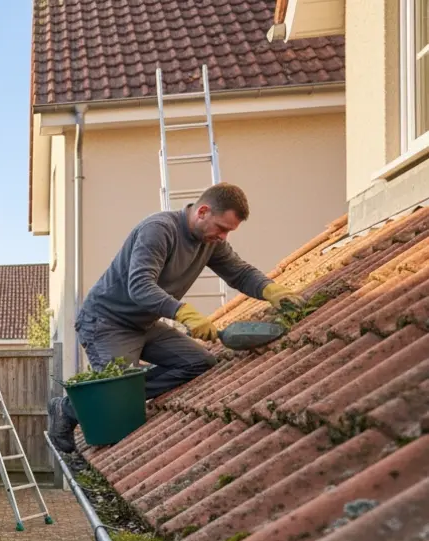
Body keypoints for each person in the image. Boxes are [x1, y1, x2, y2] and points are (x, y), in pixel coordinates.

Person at [48, 183, 301, 454]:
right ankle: (66, 408)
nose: (224, 237)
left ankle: (126, 393)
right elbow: (140, 285)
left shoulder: (210, 242)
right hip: (106, 322)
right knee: (117, 394)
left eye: (229, 231)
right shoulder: (158, 229)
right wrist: (183, 313)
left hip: (145, 323)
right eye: (222, 227)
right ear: (202, 211)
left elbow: (239, 273)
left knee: (198, 363)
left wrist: (271, 289)